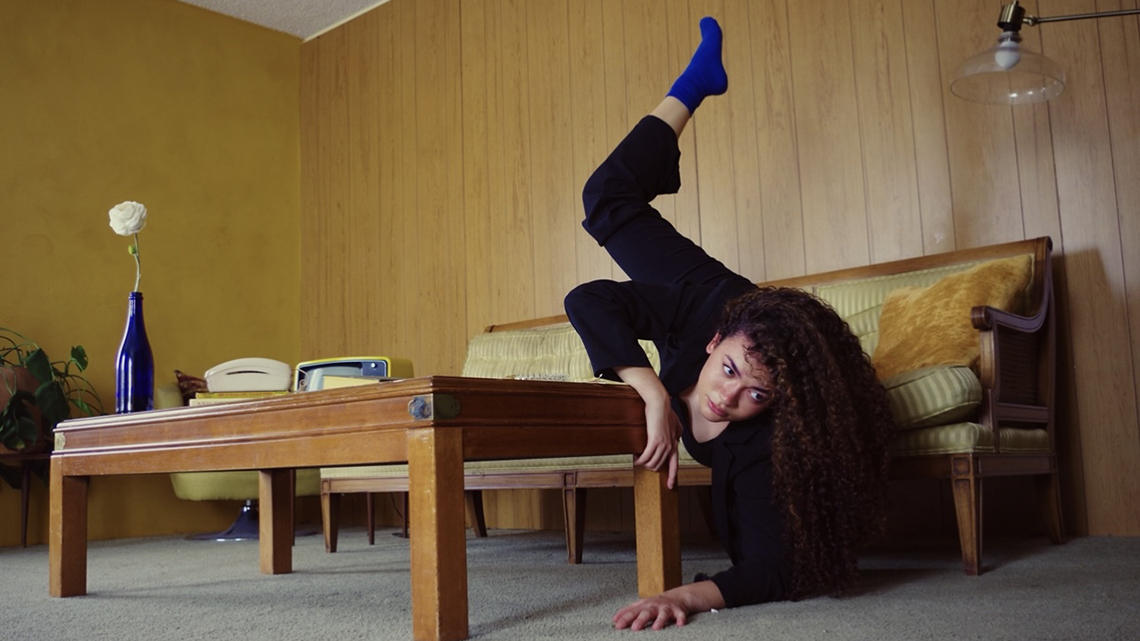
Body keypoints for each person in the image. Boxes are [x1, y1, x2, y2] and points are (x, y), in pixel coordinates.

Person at [563, 17, 895, 631]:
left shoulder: (766, 440)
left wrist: (687, 598)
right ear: (714, 345)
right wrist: (652, 391)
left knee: (609, 201)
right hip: (720, 299)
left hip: (757, 332)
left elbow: (777, 568)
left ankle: (696, 83)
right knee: (605, 199)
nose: (726, 396)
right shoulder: (704, 314)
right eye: (730, 371)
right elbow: (588, 299)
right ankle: (694, 84)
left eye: (756, 394)